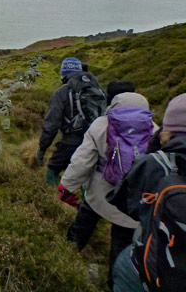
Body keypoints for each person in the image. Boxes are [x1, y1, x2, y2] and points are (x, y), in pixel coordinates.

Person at [59, 92, 156, 290]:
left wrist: (67, 186)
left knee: (83, 224)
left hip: (100, 193)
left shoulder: (100, 125)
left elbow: (82, 161)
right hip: (133, 203)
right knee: (121, 246)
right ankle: (114, 283)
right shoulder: (155, 129)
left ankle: (63, 256)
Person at [108, 93, 186, 292]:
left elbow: (126, 203)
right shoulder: (150, 130)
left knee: (126, 257)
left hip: (152, 271)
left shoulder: (154, 163)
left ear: (168, 130)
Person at [36, 57, 105, 184]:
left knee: (53, 167)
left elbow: (51, 124)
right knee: (89, 175)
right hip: (97, 140)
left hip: (71, 141)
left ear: (64, 73)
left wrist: (42, 148)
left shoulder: (62, 91)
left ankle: (52, 198)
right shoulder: (97, 87)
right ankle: (85, 199)